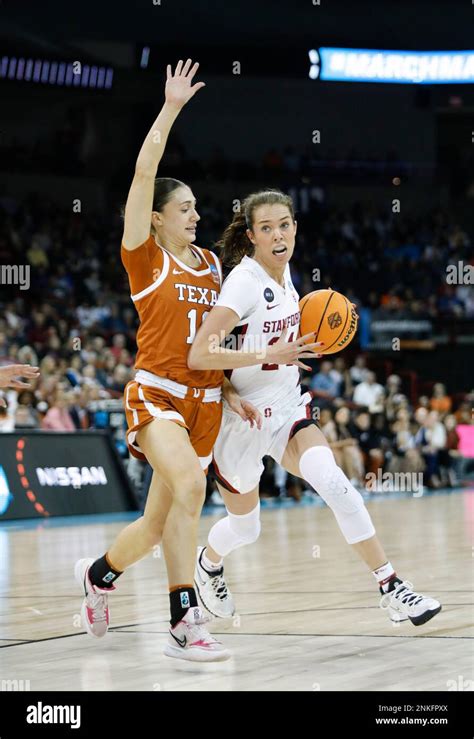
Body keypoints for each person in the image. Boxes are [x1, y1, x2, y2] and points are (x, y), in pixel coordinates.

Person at [73, 59, 262, 663]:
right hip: (157, 394)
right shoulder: (144, 257)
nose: (196, 215)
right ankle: (185, 621)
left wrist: (230, 388)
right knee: (188, 483)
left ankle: (99, 575)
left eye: (197, 208)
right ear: (156, 218)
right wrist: (172, 108)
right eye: (184, 209)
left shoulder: (211, 264)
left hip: (206, 401)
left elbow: (212, 338)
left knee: (158, 527)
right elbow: (143, 171)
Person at [188, 188, 441, 628]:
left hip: (287, 408)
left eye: (284, 225)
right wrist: (261, 361)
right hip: (242, 422)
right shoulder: (243, 283)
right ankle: (208, 564)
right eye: (266, 228)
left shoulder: (286, 276)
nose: (278, 234)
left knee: (335, 482)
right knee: (246, 528)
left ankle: (392, 587)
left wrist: (291, 352)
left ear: (295, 228)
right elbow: (200, 354)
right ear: (251, 235)